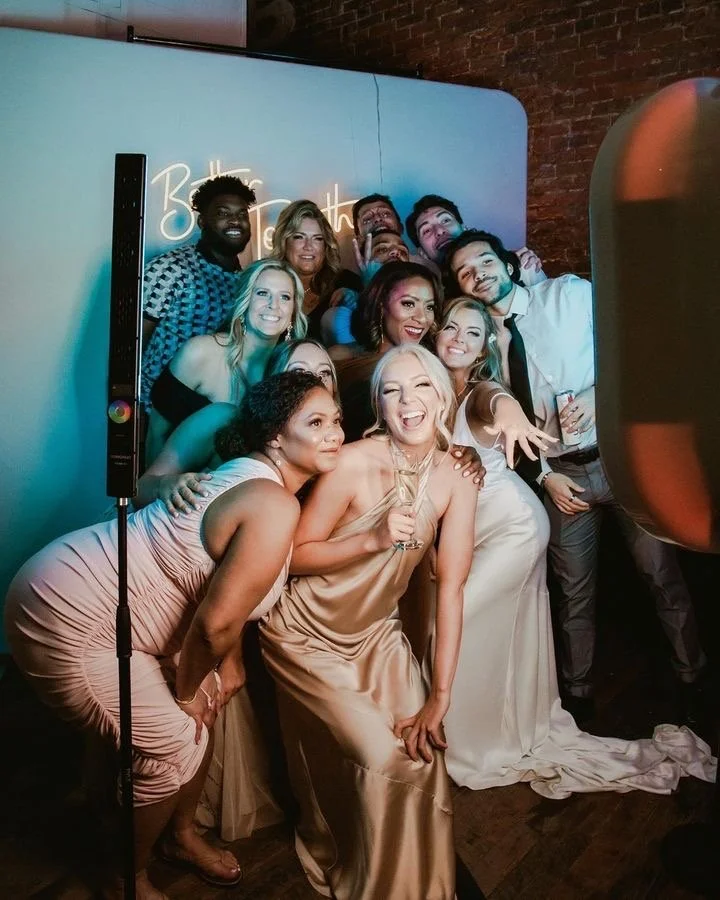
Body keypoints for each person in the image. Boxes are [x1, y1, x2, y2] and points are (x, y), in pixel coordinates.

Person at [4, 371, 343, 900]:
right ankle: (125, 877)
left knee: (204, 713)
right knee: (177, 742)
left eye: (337, 421)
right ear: (276, 436)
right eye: (316, 422)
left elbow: (215, 595)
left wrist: (222, 670)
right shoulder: (276, 503)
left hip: (87, 591)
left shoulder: (249, 474)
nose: (335, 433)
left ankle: (178, 836)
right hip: (68, 616)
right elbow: (214, 623)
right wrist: (188, 692)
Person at [434, 297, 715, 796]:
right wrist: (545, 473)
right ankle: (555, 702)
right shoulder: (429, 388)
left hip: (561, 494)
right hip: (546, 487)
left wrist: (514, 416)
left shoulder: (539, 326)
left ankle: (696, 683)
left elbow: (496, 402)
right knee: (543, 607)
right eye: (450, 327)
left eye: (471, 332)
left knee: (660, 574)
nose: (457, 337)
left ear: (482, 349)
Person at [260, 344, 478, 900]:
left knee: (424, 752)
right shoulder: (354, 461)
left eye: (421, 386)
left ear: (441, 393)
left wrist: (440, 695)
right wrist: (373, 538)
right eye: (392, 389)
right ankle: (367, 878)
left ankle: (421, 887)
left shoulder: (457, 478)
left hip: (377, 635)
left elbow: (450, 588)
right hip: (304, 633)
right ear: (378, 404)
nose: (409, 402)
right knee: (379, 755)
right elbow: (293, 555)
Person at [136, 339, 338, 515]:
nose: (313, 383)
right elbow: (139, 489)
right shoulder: (221, 419)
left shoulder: (332, 451)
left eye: (324, 373)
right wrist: (164, 485)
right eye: (299, 372)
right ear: (272, 380)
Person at [145, 259, 307, 464]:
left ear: (293, 311)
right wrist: (155, 489)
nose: (273, 305)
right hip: (183, 487)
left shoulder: (291, 369)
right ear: (245, 300)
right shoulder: (199, 353)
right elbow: (155, 434)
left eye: (284, 297)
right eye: (262, 293)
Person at [140, 175, 256, 411]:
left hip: (215, 411)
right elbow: (132, 344)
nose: (235, 221)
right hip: (160, 411)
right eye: (223, 213)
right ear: (202, 222)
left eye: (242, 214)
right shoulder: (170, 268)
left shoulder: (247, 280)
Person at [336, 260, 441, 442]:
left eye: (429, 307)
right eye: (409, 304)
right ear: (381, 305)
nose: (422, 318)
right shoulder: (339, 358)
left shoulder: (432, 368)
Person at [405, 192, 546, 285]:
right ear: (422, 252)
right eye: (427, 230)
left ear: (464, 228)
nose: (440, 231)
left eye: (446, 220)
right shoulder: (429, 296)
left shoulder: (521, 265)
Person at [321, 228, 411, 350]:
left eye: (403, 251)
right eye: (382, 249)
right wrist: (372, 291)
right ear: (363, 260)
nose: (395, 251)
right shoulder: (341, 315)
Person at [269, 199, 342, 339]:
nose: (308, 246)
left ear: (326, 245)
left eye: (317, 239)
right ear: (284, 241)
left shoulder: (345, 283)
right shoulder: (266, 284)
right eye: (299, 237)